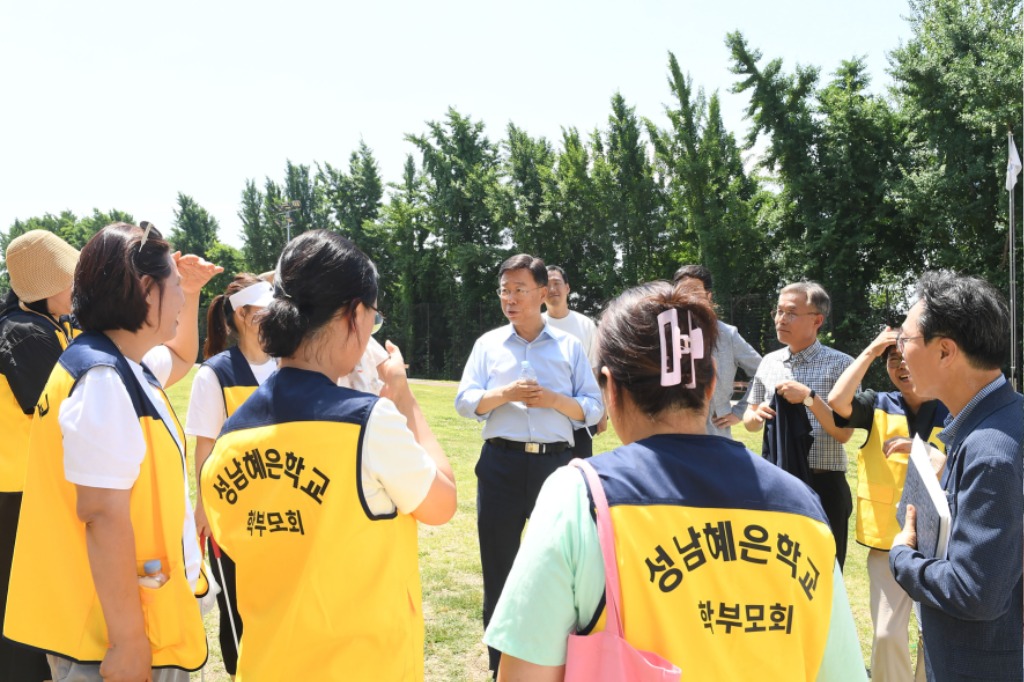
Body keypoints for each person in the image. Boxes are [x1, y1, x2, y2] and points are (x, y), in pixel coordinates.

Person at [484, 280, 865, 681]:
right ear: (712, 381)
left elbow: (524, 673)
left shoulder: (580, 495)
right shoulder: (802, 507)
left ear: (611, 388)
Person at [200, 230, 456, 681]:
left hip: (269, 666)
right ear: (354, 314)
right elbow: (442, 502)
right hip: (365, 667)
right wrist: (404, 396)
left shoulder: (228, 440)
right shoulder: (368, 423)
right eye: (373, 318)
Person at [4, 222, 221, 681]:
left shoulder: (120, 363)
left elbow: (181, 358)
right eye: (174, 287)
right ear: (146, 289)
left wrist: (195, 290)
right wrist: (127, 641)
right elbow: (102, 514)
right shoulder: (103, 379)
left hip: (122, 618)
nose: (181, 300)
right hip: (110, 635)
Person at [455, 254, 603, 676]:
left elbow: (593, 408)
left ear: (543, 293)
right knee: (499, 567)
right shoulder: (487, 345)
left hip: (554, 470)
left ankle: (557, 663)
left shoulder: (570, 346)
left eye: (520, 289)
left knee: (557, 570)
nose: (510, 298)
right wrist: (504, 394)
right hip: (500, 465)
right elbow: (465, 402)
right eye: (505, 289)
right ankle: (498, 666)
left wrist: (554, 400)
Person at [889, 271, 1023, 681]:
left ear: (945, 350)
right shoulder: (1003, 421)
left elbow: (975, 592)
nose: (899, 353)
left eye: (905, 341)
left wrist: (902, 557)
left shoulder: (991, 453)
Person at [828, 328, 948, 682]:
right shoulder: (876, 403)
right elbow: (836, 401)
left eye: (906, 358)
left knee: (935, 637)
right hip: (888, 541)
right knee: (885, 634)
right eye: (893, 360)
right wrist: (870, 350)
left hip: (941, 543)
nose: (900, 366)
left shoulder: (952, 405)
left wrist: (923, 451)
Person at [187, 273, 277, 680]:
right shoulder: (214, 374)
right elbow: (204, 449)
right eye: (267, 312)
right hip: (234, 518)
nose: (278, 318)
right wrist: (203, 507)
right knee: (238, 612)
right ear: (241, 315)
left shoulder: (286, 364)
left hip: (282, 511)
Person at [0, 230, 80, 681]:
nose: (77, 290)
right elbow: (59, 411)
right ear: (47, 288)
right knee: (21, 604)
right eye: (71, 281)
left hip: (28, 487)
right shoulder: (26, 334)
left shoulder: (40, 325)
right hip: (18, 493)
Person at [743, 281, 855, 569]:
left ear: (817, 320)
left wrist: (809, 399)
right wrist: (756, 417)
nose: (781, 319)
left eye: (791, 313)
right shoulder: (769, 362)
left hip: (825, 482)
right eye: (778, 311)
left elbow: (844, 434)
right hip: (780, 481)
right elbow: (749, 417)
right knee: (781, 572)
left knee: (829, 572)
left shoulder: (841, 366)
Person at [673, 264, 762, 439]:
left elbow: (763, 372)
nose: (688, 298)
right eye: (681, 292)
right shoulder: (664, 334)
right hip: (672, 431)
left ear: (708, 296)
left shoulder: (727, 335)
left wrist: (739, 411)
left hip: (715, 431)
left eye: (694, 291)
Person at [542, 264, 606, 457]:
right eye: (547, 285)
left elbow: (596, 370)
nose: (552, 289)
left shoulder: (585, 325)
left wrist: (602, 411)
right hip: (546, 417)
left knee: (579, 471)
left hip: (580, 415)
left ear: (567, 288)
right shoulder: (534, 325)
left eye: (557, 283)